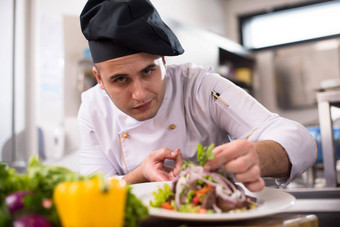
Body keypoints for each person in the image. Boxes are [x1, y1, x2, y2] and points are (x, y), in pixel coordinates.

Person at [78, 0, 317, 192]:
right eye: (120, 79)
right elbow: (93, 190)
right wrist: (138, 175)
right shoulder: (93, 108)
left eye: (148, 71)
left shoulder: (200, 87)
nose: (139, 94)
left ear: (163, 61)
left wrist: (257, 156)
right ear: (99, 78)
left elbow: (300, 140)